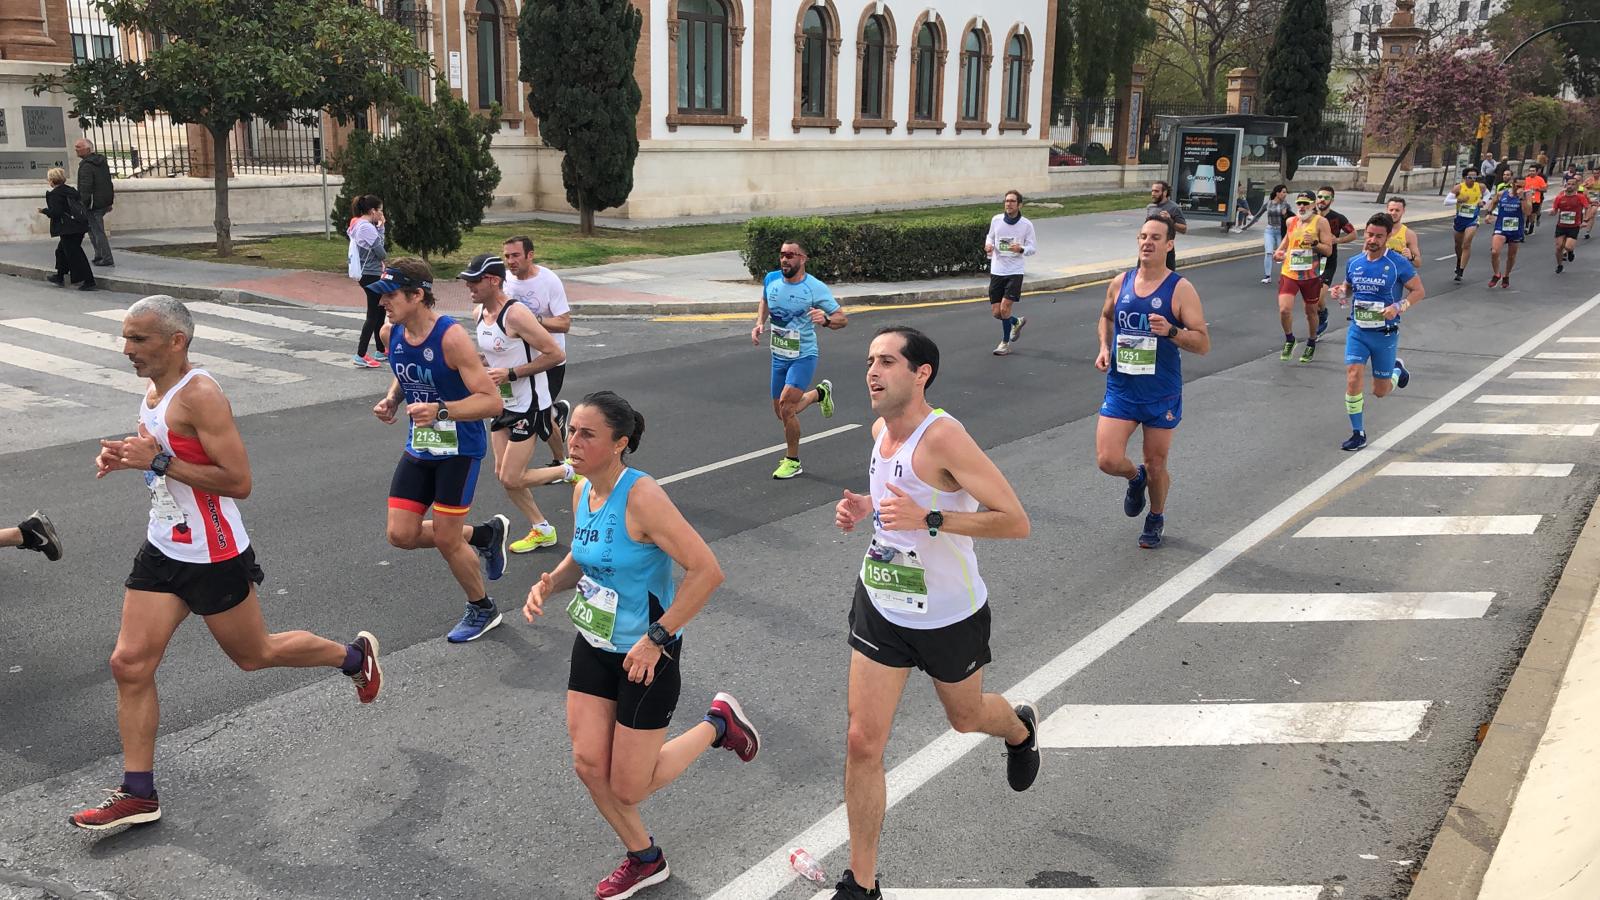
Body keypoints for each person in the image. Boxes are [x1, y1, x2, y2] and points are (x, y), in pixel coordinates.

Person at [72, 295, 381, 830]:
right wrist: (131, 454)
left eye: (138, 339)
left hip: (214, 552)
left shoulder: (202, 395)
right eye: (126, 337)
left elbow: (239, 482)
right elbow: (164, 449)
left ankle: (353, 659)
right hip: (165, 544)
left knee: (255, 655)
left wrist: (159, 460)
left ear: (176, 342)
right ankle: (138, 793)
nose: (127, 349)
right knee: (129, 664)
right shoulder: (155, 388)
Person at [830, 325, 1039, 900]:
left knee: (966, 718)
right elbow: (898, 500)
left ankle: (1019, 730)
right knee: (861, 741)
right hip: (882, 602)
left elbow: (1014, 519)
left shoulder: (944, 438)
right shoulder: (880, 431)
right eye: (870, 361)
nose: (873, 372)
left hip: (948, 614)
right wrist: (865, 508)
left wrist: (931, 521)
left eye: (888, 362)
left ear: (921, 374)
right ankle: (862, 882)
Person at [522, 391, 758, 900]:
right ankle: (645, 858)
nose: (573, 442)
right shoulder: (583, 489)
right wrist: (549, 582)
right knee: (588, 765)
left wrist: (656, 639)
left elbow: (707, 572)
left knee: (630, 786)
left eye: (587, 434)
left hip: (646, 654)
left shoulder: (643, 497)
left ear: (620, 443)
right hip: (594, 642)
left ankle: (719, 725)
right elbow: (585, 556)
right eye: (572, 430)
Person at [370, 258, 512, 643]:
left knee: (448, 539)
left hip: (460, 449)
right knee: (400, 534)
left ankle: (483, 608)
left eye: (391, 295)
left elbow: (492, 402)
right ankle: (483, 536)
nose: (383, 303)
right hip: (421, 444)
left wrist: (441, 410)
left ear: (418, 295)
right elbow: (405, 374)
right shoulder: (390, 333)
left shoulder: (450, 338)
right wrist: (392, 400)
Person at [1096, 216, 1212, 549]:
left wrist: (1173, 331)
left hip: (1161, 391)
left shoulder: (1180, 289)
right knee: (1107, 459)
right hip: (1121, 388)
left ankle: (1156, 516)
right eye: (1143, 236)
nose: (1147, 242)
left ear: (1169, 245)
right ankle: (1136, 479)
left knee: (1157, 462)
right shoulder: (1120, 283)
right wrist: (1104, 347)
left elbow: (1203, 344)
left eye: (1156, 238)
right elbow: (1105, 317)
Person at [461, 252, 570, 554]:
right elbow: (497, 351)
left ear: (493, 280)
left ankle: (569, 470)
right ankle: (542, 529)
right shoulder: (479, 314)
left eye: (474, 281)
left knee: (512, 476)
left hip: (529, 403)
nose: (469, 287)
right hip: (503, 403)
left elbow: (554, 355)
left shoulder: (515, 314)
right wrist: (478, 363)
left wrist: (511, 372)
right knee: (503, 476)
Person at [751, 240, 847, 480]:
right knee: (781, 412)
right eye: (782, 254)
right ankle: (819, 394)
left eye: (791, 255)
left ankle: (793, 461)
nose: (785, 259)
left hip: (803, 356)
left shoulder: (814, 288)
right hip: (779, 355)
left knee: (786, 406)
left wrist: (825, 320)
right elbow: (764, 300)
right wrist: (760, 322)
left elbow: (841, 319)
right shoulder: (771, 279)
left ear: (802, 259)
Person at [1333, 214, 1424, 451]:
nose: (1372, 239)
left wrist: (1398, 306)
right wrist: (1340, 294)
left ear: (1388, 236)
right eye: (1369, 234)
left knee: (1380, 391)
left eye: (1378, 236)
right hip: (1358, 330)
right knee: (1353, 376)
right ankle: (1358, 433)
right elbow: (1350, 291)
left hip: (1384, 333)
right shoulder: (1354, 262)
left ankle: (1397, 370)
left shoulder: (1397, 263)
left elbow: (1418, 291)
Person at [503, 235, 574, 469]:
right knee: (519, 407)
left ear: (530, 255)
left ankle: (560, 462)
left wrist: (533, 321)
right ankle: (557, 412)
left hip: (548, 360)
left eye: (515, 255)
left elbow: (564, 323)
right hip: (518, 358)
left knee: (541, 413)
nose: (510, 261)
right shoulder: (505, 280)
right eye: (507, 256)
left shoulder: (548, 281)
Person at [1273, 191, 1333, 363]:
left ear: (1313, 205)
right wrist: (1279, 251)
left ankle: (1311, 341)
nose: (1302, 206)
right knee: (1284, 309)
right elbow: (1287, 240)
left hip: (1310, 275)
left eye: (1306, 203)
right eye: (1299, 203)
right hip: (1289, 272)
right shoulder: (1291, 221)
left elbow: (1328, 250)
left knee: (1311, 311)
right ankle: (1290, 339)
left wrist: (1314, 243)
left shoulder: (1321, 222)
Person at [984, 189, 1036, 356]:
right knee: (997, 312)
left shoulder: (1026, 225)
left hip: (1014, 271)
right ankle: (1016, 322)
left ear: (1019, 204)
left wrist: (1021, 248)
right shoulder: (996, 220)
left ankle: (1005, 343)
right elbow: (990, 237)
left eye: (1012, 201)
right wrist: (989, 246)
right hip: (997, 270)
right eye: (1007, 201)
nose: (1008, 204)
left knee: (1005, 308)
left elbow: (1032, 248)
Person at [347, 195, 388, 368]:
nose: (381, 213)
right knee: (373, 314)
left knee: (380, 311)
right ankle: (361, 354)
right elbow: (381, 252)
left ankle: (380, 349)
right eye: (380, 210)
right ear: (372, 211)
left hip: (367, 273)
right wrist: (382, 228)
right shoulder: (366, 228)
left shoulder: (357, 223)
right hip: (371, 274)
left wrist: (380, 227)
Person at [40, 167, 95, 292]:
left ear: (52, 180)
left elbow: (57, 212)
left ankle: (88, 280)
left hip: (67, 227)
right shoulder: (71, 190)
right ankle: (60, 275)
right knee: (61, 251)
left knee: (76, 254)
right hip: (78, 225)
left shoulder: (55, 194)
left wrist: (44, 211)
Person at [1314, 186, 1359, 338]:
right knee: (1312, 299)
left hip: (1328, 261)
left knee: (1319, 297)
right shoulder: (1310, 215)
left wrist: (1337, 239)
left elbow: (1353, 234)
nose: (1322, 200)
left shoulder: (1338, 218)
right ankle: (1320, 312)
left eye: (1326, 197)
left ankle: (1322, 317)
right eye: (1319, 196)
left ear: (1331, 201)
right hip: (1310, 260)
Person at [74, 138, 115, 267]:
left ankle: (106, 257)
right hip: (101, 202)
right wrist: (109, 201)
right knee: (92, 230)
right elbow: (107, 183)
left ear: (88, 149)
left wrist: (82, 204)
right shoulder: (101, 163)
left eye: (79, 147)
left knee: (97, 231)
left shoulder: (86, 166)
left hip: (92, 204)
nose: (76, 149)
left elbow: (85, 187)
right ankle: (99, 255)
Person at [1487, 176, 1531, 289]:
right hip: (1501, 226)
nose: (1520, 188)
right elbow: (1493, 202)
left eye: (1523, 186)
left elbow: (1528, 212)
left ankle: (1506, 275)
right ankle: (1497, 274)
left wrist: (1522, 198)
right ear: (1512, 184)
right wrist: (1489, 213)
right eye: (1518, 186)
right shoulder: (1502, 194)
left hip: (1515, 228)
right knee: (1494, 252)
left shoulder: (1526, 195)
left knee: (1511, 256)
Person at [1243, 183, 1290, 284]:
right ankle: (1267, 276)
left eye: (1286, 192)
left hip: (1281, 232)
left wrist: (1285, 214)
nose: (1285, 194)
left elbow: (1292, 220)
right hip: (1269, 231)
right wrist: (1246, 227)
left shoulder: (1286, 205)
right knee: (1268, 253)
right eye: (1283, 192)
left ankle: (1285, 276)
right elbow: (1257, 216)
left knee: (1282, 254)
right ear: (1277, 193)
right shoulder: (1268, 204)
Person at [1448, 167, 1485, 282]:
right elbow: (1446, 201)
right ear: (1464, 178)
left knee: (1467, 243)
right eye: (1470, 177)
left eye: (1475, 177)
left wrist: (1483, 202)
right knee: (1458, 244)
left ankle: (1461, 270)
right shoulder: (1459, 187)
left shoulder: (1480, 187)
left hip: (1473, 219)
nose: (1473, 179)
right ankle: (1459, 260)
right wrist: (1458, 200)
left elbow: (1488, 196)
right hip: (1460, 219)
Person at [1551, 176, 1591, 274]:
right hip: (1561, 225)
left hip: (1574, 226)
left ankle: (1570, 251)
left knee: (1568, 247)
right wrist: (1553, 212)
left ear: (1576, 186)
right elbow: (1555, 210)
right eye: (1568, 184)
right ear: (1566, 185)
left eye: (1573, 184)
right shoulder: (1560, 197)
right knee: (1558, 247)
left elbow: (1587, 207)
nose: (1570, 186)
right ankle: (1560, 265)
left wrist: (1585, 220)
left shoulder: (1580, 197)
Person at [1145, 180, 1188, 270]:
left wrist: (1170, 220)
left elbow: (1184, 229)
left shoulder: (1174, 207)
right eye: (1152, 191)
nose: (1153, 193)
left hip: (1166, 249)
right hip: (1149, 247)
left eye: (1156, 191)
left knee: (1168, 279)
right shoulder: (1150, 207)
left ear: (1164, 192)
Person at [1384, 197, 1422, 265]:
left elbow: (1418, 263)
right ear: (1387, 210)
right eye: (1391, 210)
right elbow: (1365, 253)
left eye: (1397, 210)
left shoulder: (1409, 234)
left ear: (1403, 211)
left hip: (1399, 274)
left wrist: (1411, 257)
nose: (1393, 213)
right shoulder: (1378, 230)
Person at [1524, 164, 1548, 236]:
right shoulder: (1526, 179)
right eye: (1530, 171)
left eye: (1533, 171)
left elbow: (1545, 189)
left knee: (1532, 214)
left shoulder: (1540, 179)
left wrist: (1538, 189)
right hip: (1527, 199)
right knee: (1526, 214)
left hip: (1536, 199)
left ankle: (1531, 227)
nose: (1532, 172)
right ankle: (1526, 227)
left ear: (1536, 172)